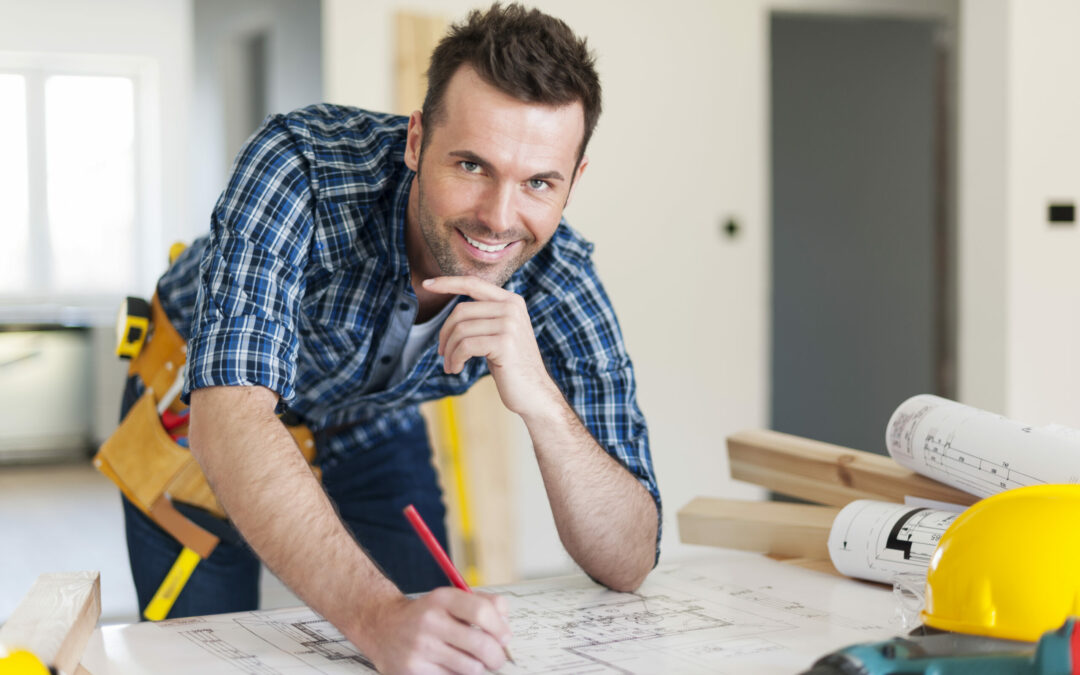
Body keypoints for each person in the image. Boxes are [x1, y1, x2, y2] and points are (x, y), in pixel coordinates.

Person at [120, 3, 660, 672]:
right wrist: (377, 618)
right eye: (471, 165)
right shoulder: (301, 166)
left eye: (538, 182)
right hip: (194, 406)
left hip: (368, 414)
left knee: (439, 638)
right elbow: (230, 418)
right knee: (205, 651)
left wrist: (544, 403)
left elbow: (629, 559)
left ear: (573, 181)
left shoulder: (561, 277)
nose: (498, 218)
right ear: (416, 141)